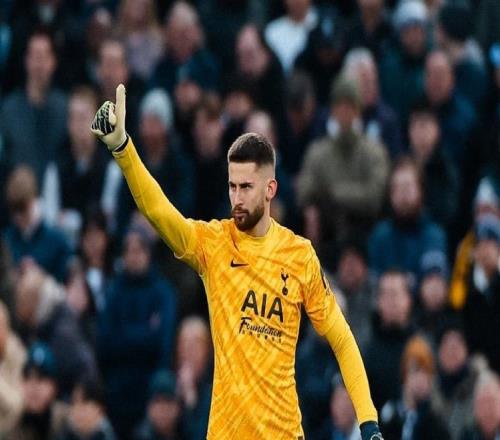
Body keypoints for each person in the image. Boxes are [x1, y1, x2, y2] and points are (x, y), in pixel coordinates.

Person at [90, 84, 383, 439]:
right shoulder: (215, 245)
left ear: (270, 189)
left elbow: (342, 339)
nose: (237, 198)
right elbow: (159, 212)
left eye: (246, 187)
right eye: (232, 186)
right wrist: (123, 149)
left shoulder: (299, 254)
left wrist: (368, 422)